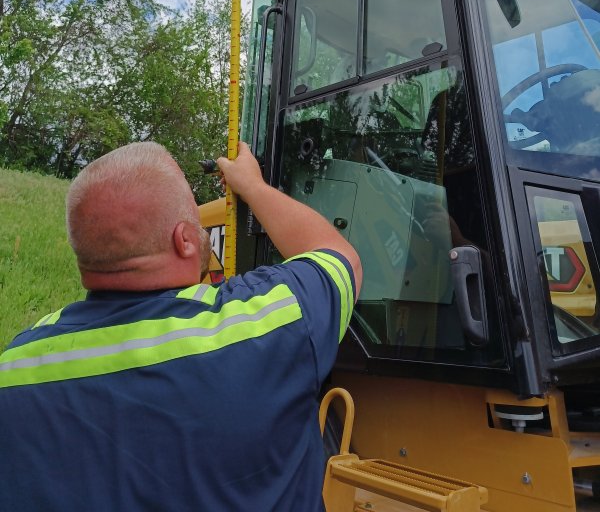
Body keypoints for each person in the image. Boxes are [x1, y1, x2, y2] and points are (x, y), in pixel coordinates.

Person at [0, 141, 362, 512]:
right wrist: (252, 186)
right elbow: (340, 257)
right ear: (185, 240)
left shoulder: (14, 369)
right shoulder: (265, 324)